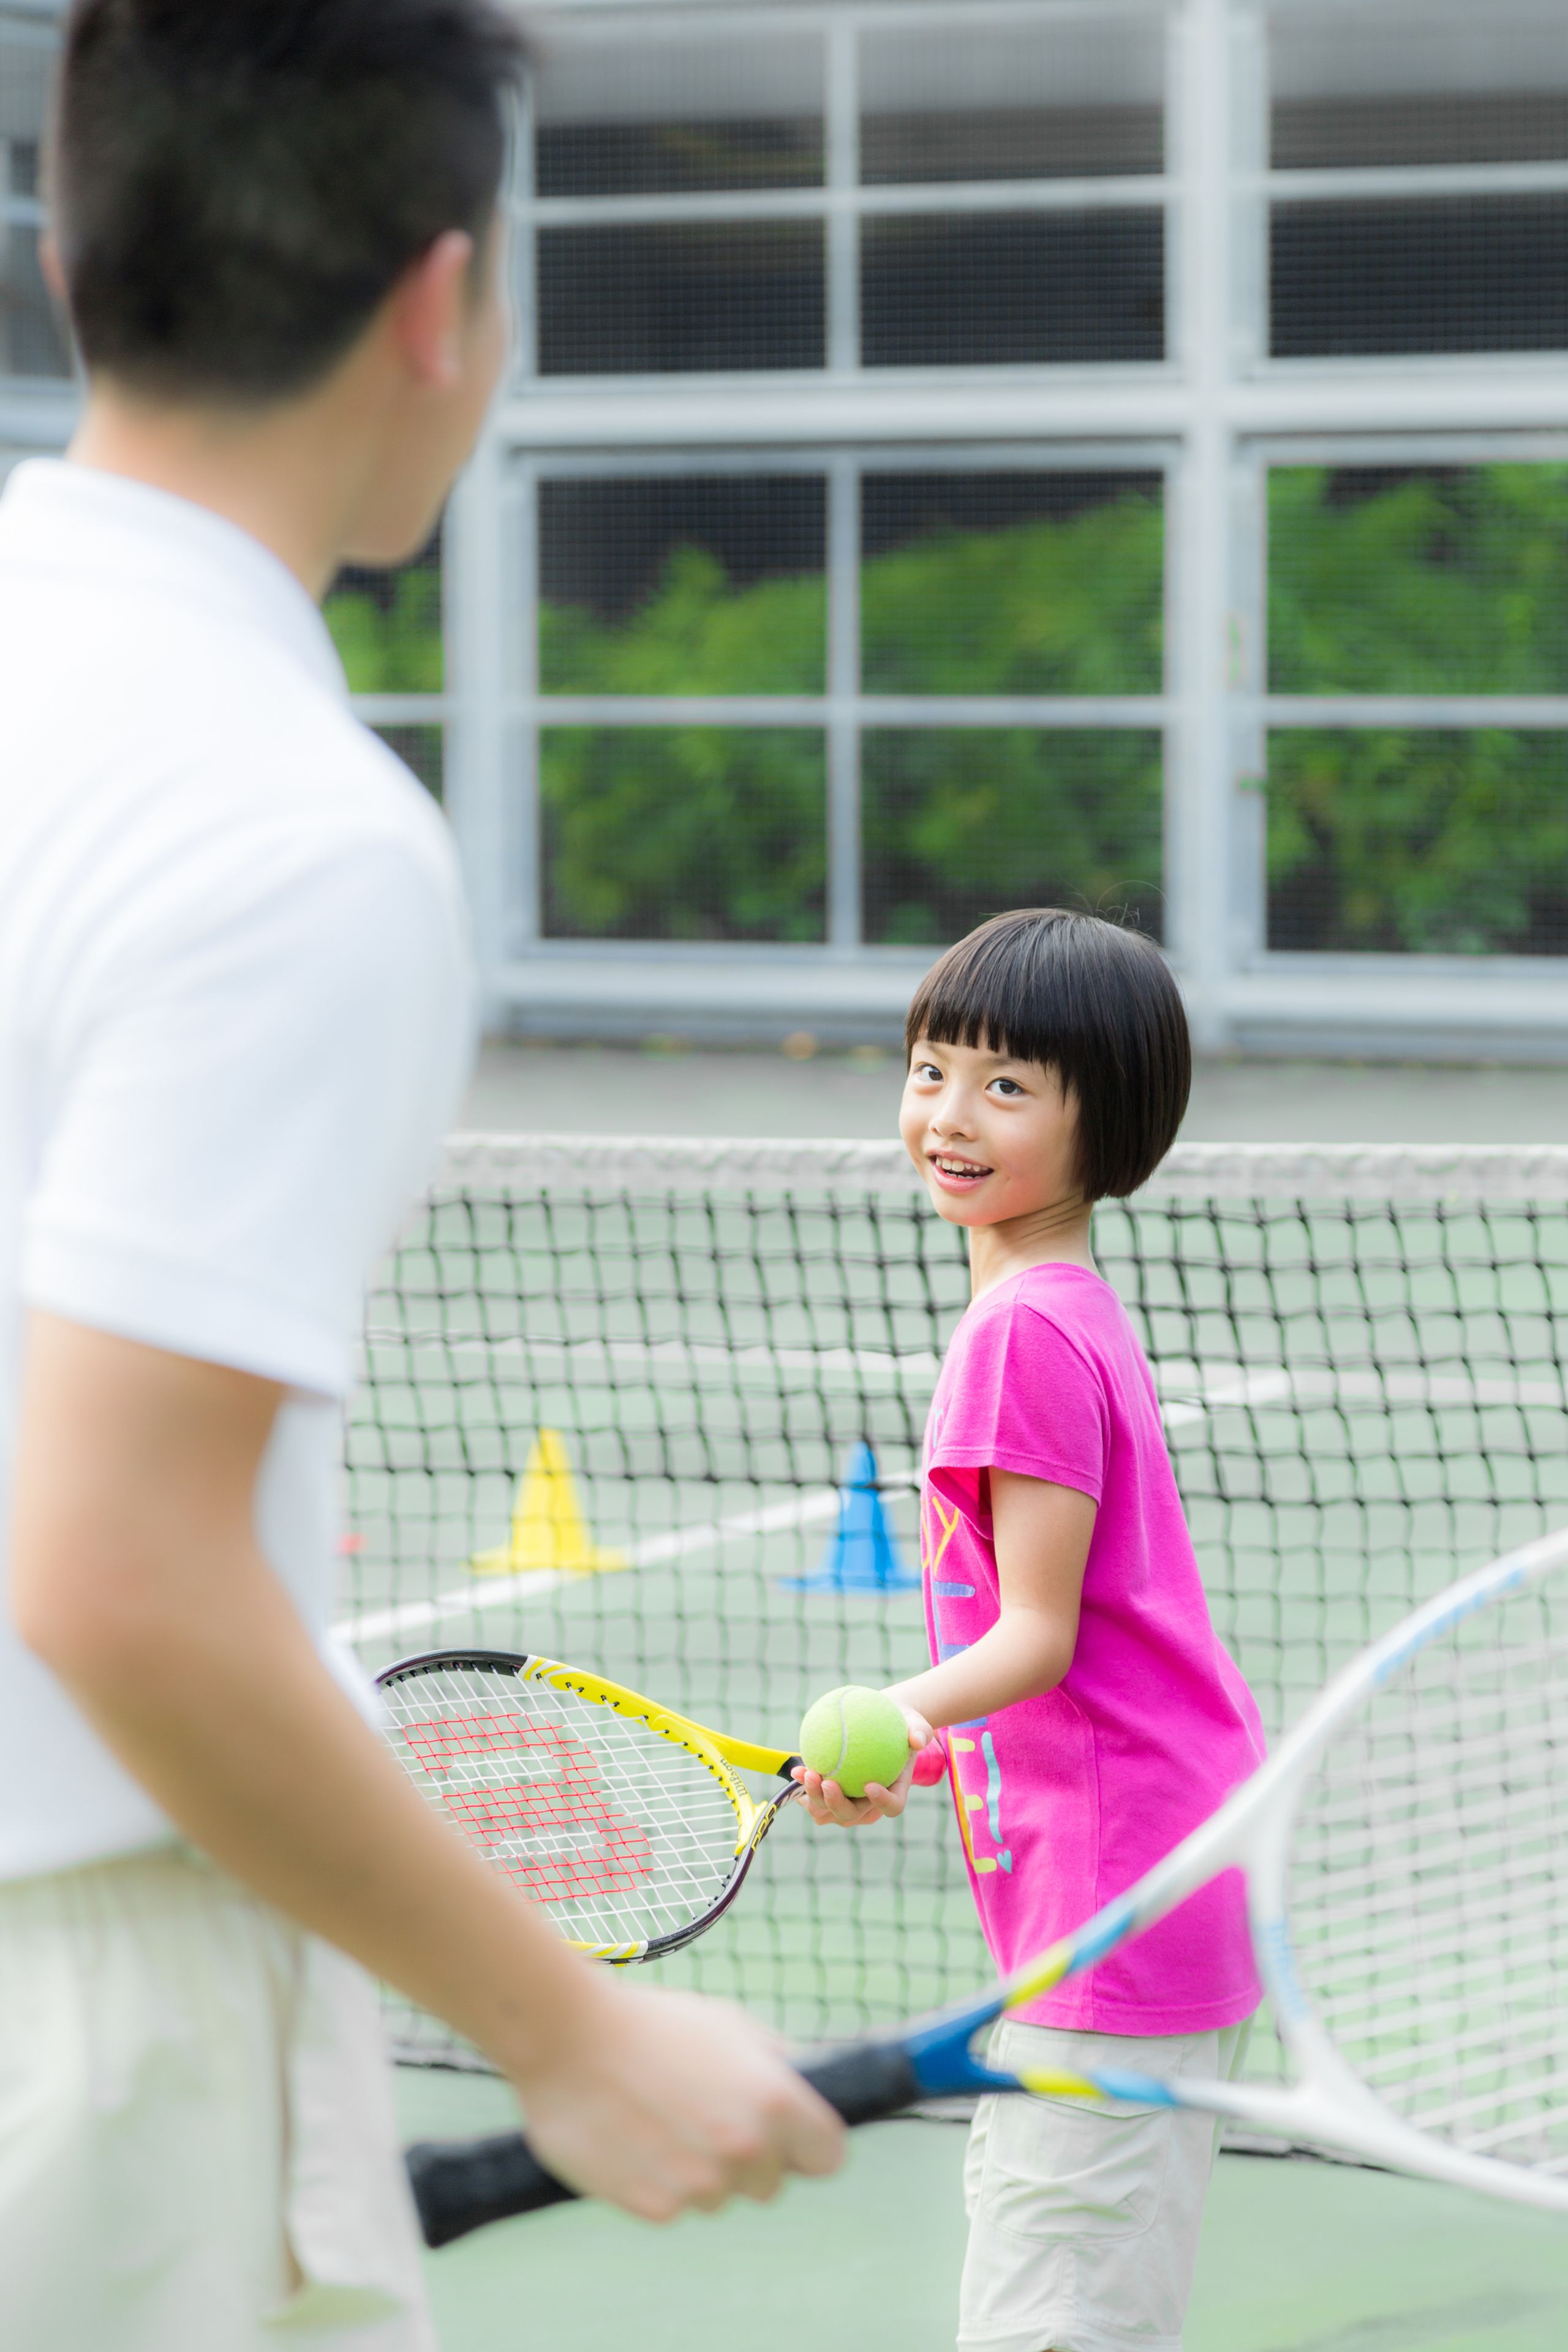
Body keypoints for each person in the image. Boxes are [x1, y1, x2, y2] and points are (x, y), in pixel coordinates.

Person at [0, 6, 841, 2346]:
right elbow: (120, 1571)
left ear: (72, 255)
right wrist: (568, 2031)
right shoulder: (290, 834)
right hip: (92, 1990)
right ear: (443, 303)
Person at [797, 908, 1265, 2352]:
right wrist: (929, 1748)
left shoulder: (1020, 1334)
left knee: (1050, 2324)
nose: (949, 1114)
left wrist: (901, 1711)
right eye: (930, 1069)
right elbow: (1066, 1651)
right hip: (1124, 1884)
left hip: (1115, 1905)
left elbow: (1038, 1635)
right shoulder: (1057, 1307)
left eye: (1005, 1085)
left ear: (1099, 1121)